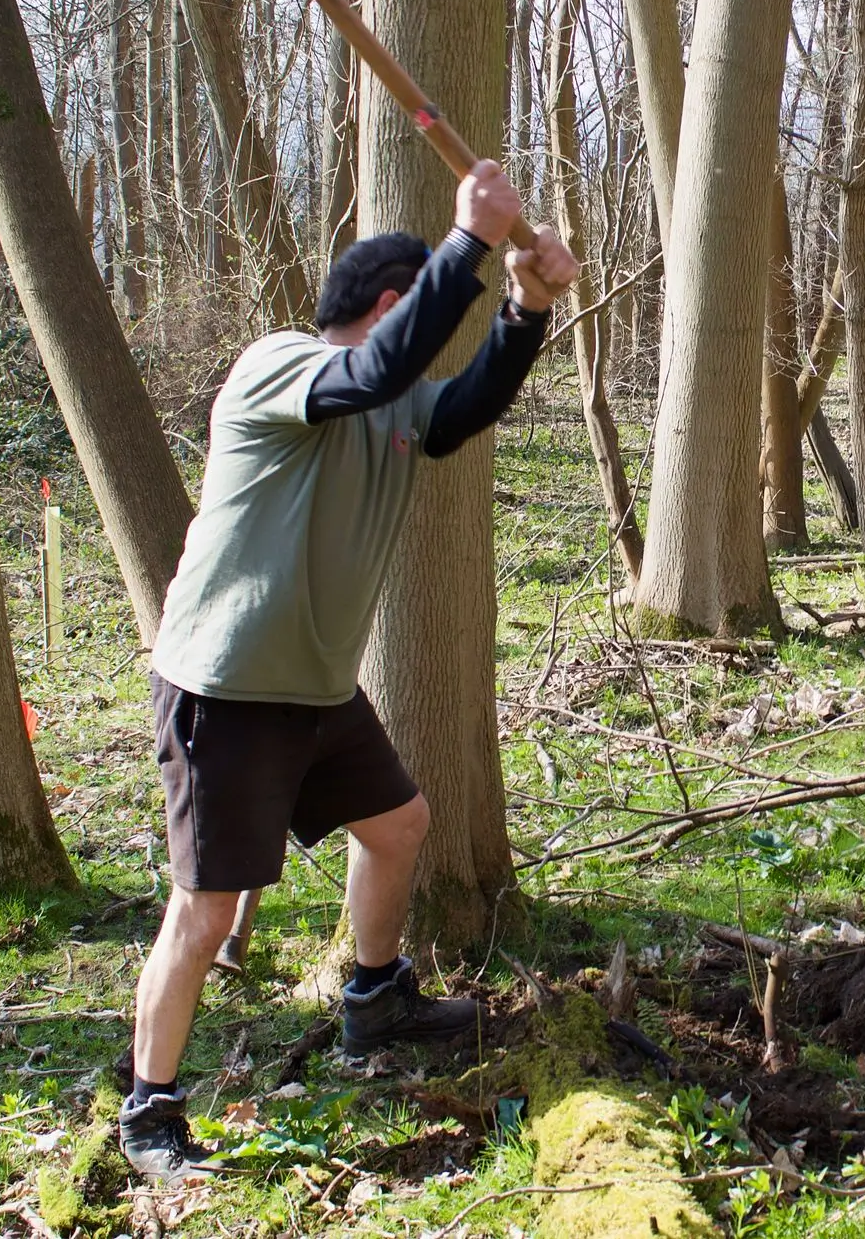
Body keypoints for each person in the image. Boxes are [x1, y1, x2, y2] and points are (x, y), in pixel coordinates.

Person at [119, 160, 578, 1181]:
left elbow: (457, 413)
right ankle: (149, 1111)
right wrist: (468, 242)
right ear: (388, 304)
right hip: (229, 690)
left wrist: (525, 305)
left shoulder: (394, 405)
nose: (425, 339)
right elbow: (375, 374)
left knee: (399, 826)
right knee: (200, 912)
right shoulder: (279, 367)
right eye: (418, 311)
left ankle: (373, 999)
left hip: (319, 686)